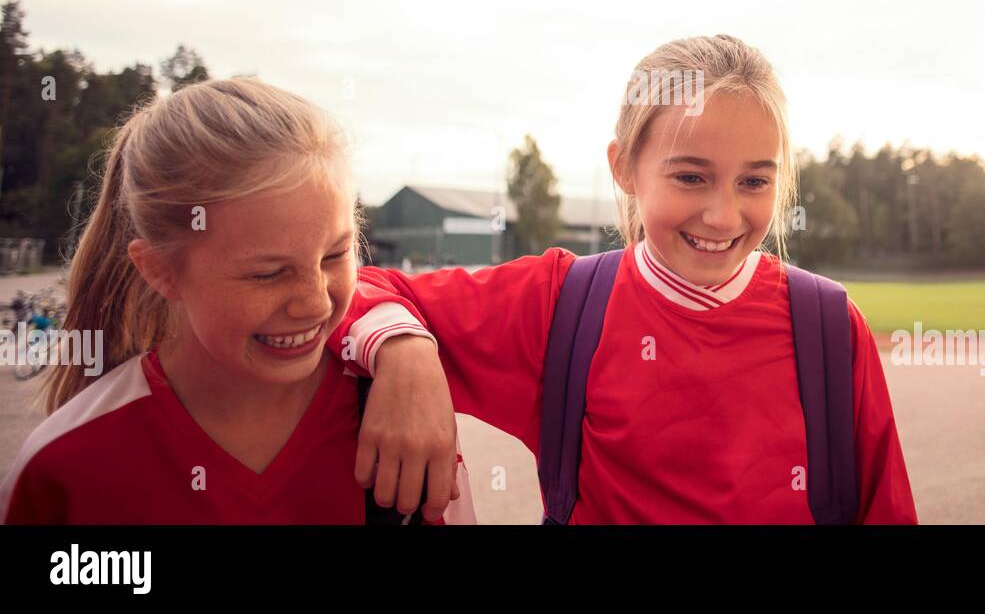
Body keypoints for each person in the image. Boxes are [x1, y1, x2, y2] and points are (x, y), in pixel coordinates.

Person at [338, 34, 918, 523]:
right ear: (623, 167)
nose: (722, 216)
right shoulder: (559, 304)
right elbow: (349, 290)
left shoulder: (827, 326)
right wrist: (405, 349)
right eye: (691, 177)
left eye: (754, 182)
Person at [0, 78, 473, 524]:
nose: (313, 303)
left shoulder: (402, 429)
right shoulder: (67, 467)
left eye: (335, 254)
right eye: (267, 274)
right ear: (160, 271)